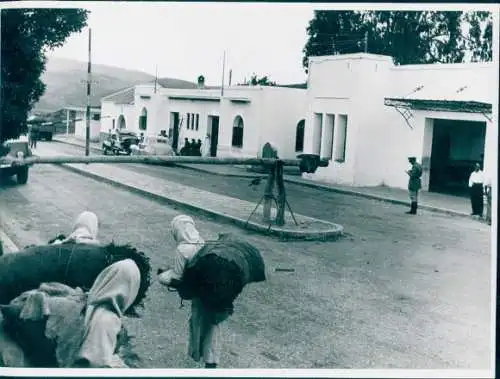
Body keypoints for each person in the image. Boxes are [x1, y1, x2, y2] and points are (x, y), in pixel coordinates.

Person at [158, 215, 221, 369]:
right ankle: (211, 358)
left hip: (199, 295)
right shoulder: (204, 243)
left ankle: (203, 357)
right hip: (214, 291)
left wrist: (162, 276)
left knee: (199, 323)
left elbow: (177, 276)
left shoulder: (182, 249)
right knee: (213, 324)